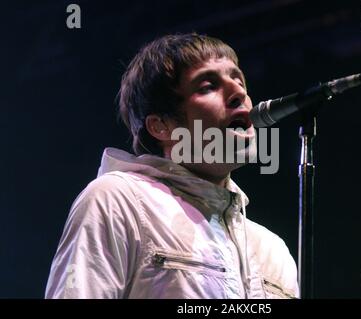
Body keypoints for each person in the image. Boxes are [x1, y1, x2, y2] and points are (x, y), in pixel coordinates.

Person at [45, 33, 299, 299]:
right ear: (160, 126)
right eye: (207, 86)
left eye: (238, 79)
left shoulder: (272, 250)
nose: (239, 93)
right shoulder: (118, 200)